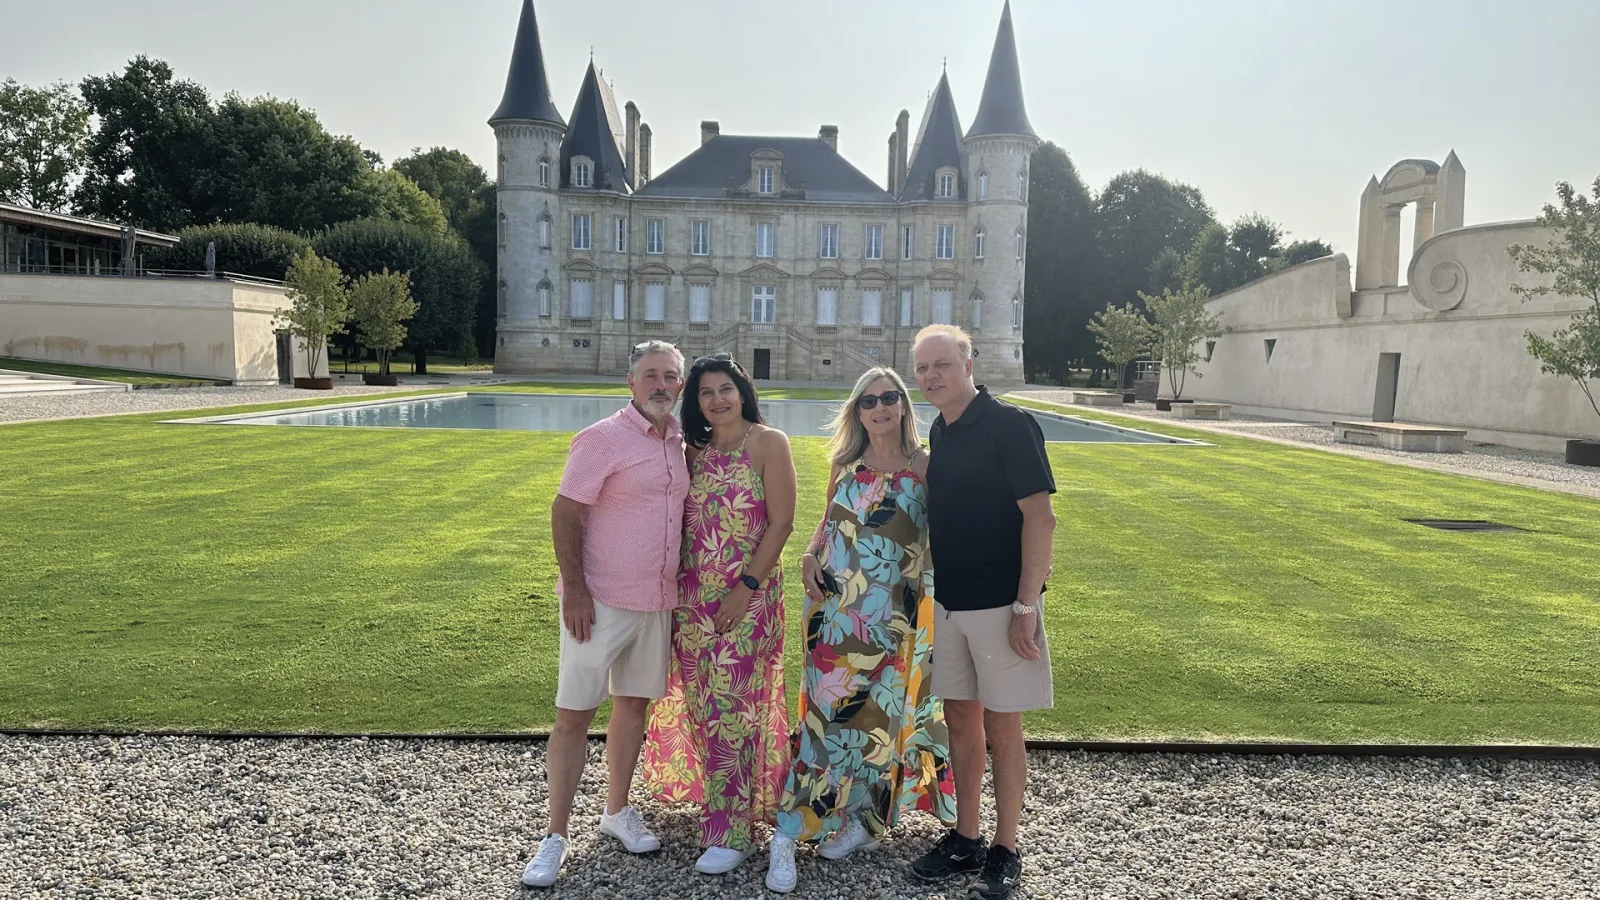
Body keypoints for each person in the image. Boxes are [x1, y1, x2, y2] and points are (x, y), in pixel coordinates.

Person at [765, 367, 956, 894]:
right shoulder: (846, 463)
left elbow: (944, 535)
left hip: (896, 620)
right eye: (868, 401)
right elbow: (828, 522)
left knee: (877, 724)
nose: (879, 408)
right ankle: (788, 833)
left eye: (889, 397)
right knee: (823, 723)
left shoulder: (924, 467)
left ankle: (863, 821)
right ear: (857, 411)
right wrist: (808, 555)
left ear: (903, 405)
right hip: (835, 614)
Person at [520, 340, 691, 889]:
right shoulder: (602, 437)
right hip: (599, 602)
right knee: (574, 714)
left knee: (633, 707)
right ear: (631, 382)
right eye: (651, 375)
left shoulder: (679, 440)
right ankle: (554, 835)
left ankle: (616, 810)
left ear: (680, 384)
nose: (661, 384)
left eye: (670, 376)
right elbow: (565, 511)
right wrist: (574, 589)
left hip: (657, 600)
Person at [909, 325, 1056, 900]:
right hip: (950, 604)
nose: (931, 376)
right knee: (961, 722)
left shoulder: (1009, 425)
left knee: (1003, 727)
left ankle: (1006, 847)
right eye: (923, 368)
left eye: (942, 364)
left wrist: (1026, 605)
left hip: (1002, 604)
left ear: (968, 365)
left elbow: (1040, 519)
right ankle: (966, 838)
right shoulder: (941, 432)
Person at [642, 352, 796, 876]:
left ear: (742, 390)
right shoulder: (695, 451)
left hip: (746, 599)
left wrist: (745, 589)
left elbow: (781, 523)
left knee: (736, 706)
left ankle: (734, 833)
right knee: (706, 705)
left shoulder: (768, 443)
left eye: (725, 389)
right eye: (706, 392)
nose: (717, 400)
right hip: (692, 601)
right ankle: (725, 807)